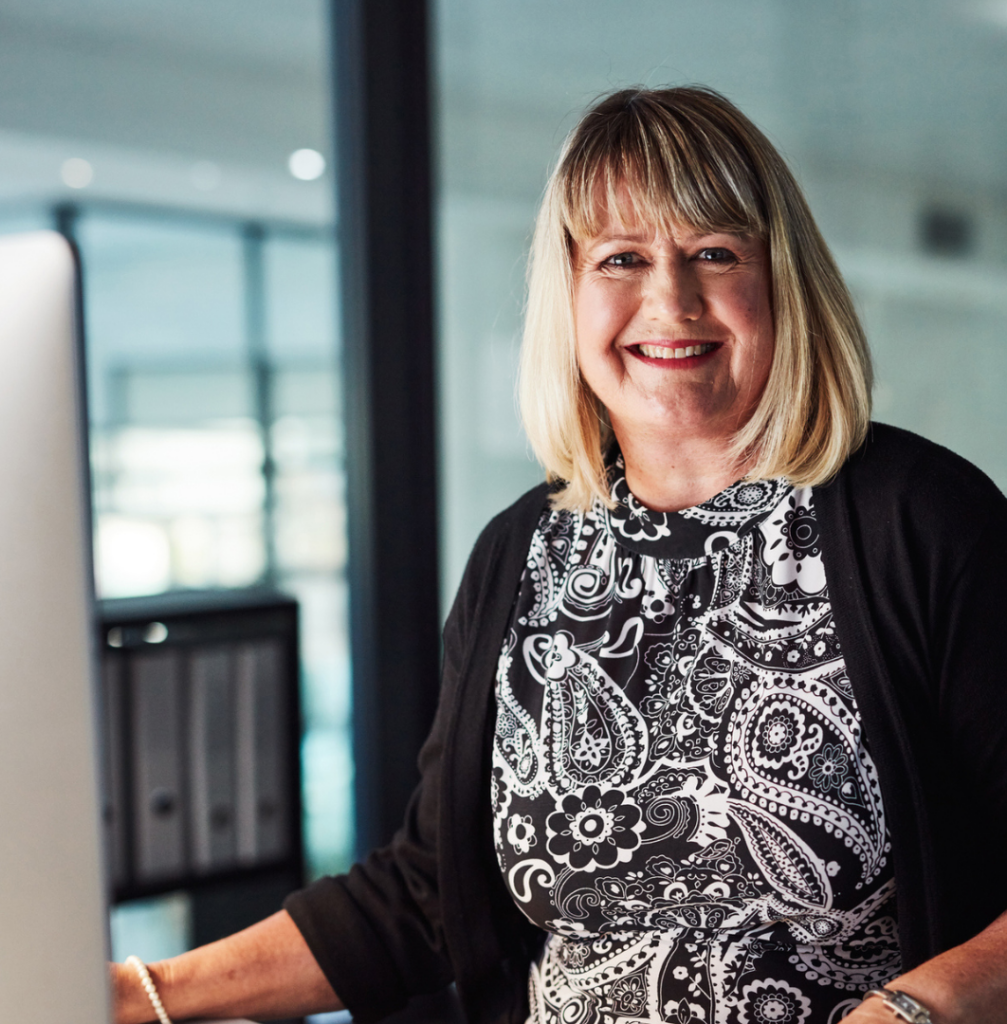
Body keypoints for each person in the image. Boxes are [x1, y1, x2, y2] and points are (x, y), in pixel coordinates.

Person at [113, 87, 1007, 1024]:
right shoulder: (519, 554)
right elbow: (428, 892)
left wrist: (919, 1010)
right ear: (570, 297)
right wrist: (143, 995)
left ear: (781, 281)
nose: (671, 300)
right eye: (622, 258)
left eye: (714, 252)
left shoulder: (924, 522)